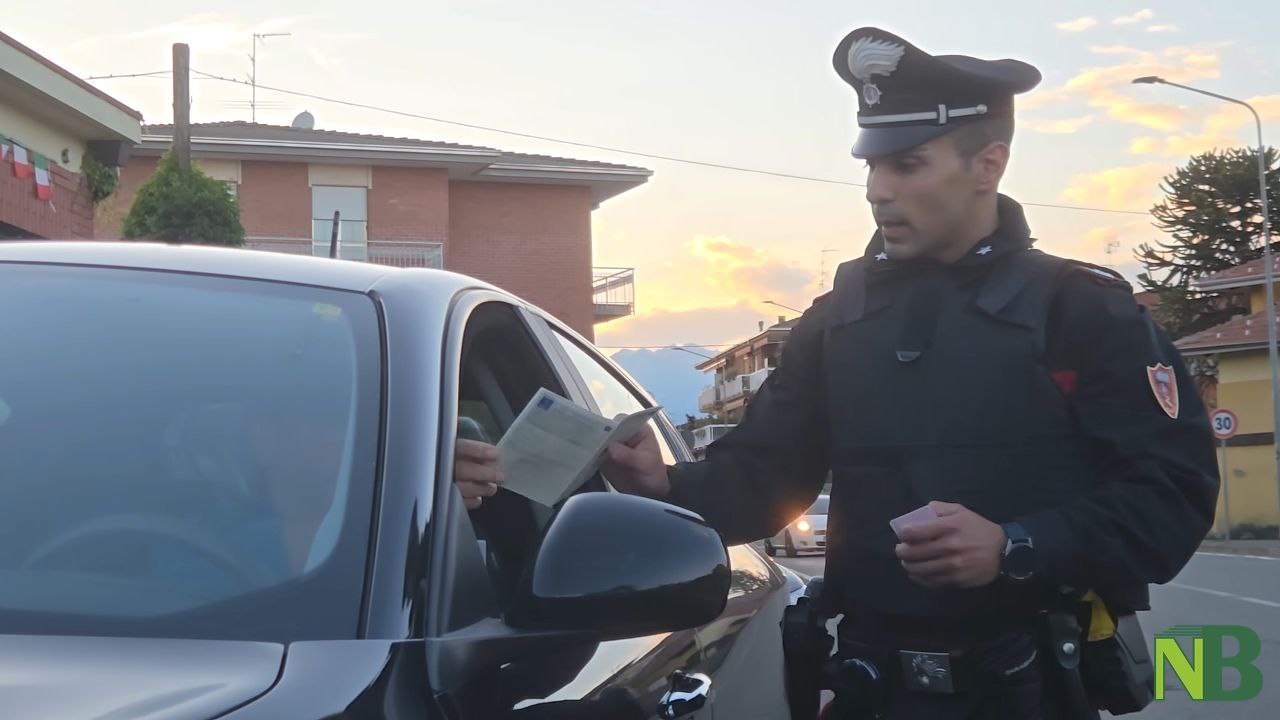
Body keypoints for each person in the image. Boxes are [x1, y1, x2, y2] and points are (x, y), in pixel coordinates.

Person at [593, 27, 1220, 719]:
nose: (877, 190)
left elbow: (1171, 496)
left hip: (1028, 690)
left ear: (988, 165)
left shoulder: (1080, 311)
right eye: (872, 166)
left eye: (907, 165)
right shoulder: (837, 319)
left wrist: (1017, 545)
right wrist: (667, 483)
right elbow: (767, 477)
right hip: (872, 688)